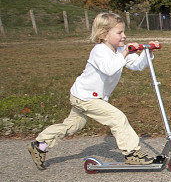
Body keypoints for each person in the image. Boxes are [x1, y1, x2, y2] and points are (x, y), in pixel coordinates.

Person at [27, 12, 160, 170]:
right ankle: (132, 154)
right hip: (86, 97)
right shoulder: (99, 51)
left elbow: (137, 65)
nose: (124, 36)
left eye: (124, 32)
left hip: (88, 96)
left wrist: (147, 51)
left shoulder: (119, 49)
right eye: (119, 33)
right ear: (104, 35)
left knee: (72, 126)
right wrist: (125, 52)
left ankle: (40, 144)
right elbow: (109, 69)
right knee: (117, 118)